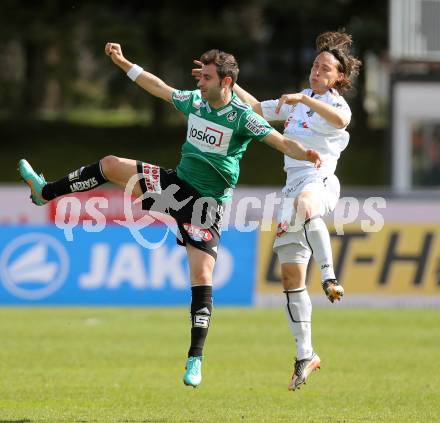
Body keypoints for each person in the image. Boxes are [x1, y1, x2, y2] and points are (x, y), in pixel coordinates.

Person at [18, 43, 322, 388]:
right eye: (201, 76)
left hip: (206, 205)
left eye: (207, 78)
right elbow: (158, 86)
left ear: (227, 82)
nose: (200, 83)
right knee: (110, 165)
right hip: (175, 185)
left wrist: (307, 153)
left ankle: (195, 359)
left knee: (201, 276)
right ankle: (45, 193)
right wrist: (123, 63)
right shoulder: (195, 102)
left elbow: (281, 142)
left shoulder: (242, 117)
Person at [200, 30, 361, 391]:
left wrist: (306, 101)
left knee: (307, 205)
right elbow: (256, 109)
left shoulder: (335, 104)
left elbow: (341, 123)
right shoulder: (300, 98)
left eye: (326, 69)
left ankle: (330, 277)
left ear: (338, 77)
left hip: (319, 180)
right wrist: (231, 84)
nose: (318, 71)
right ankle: (306, 354)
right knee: (289, 278)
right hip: (289, 190)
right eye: (316, 65)